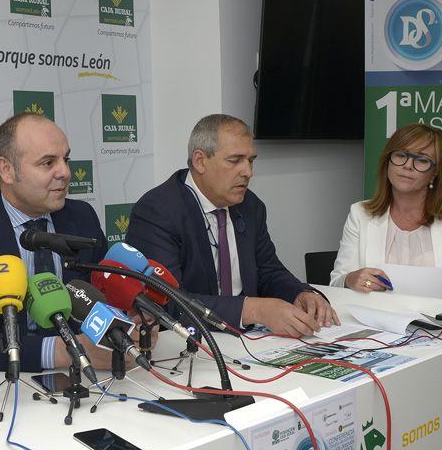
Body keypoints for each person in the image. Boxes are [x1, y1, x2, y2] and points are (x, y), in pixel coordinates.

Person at [125, 114, 337, 337]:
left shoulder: (251, 206)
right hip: (187, 343)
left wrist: (300, 293)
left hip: (246, 339)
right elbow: (165, 301)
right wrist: (254, 309)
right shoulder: (158, 211)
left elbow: (268, 271)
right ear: (200, 161)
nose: (248, 172)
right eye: (235, 160)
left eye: (251, 160)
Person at [0, 113, 109, 374]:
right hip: (4, 384)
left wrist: (125, 329)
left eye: (66, 159)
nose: (65, 172)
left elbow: (102, 303)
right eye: (48, 163)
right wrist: (66, 350)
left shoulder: (81, 217)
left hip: (84, 378)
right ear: (7, 170)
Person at [329, 123, 442, 301]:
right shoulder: (360, 214)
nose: (408, 165)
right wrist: (350, 279)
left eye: (422, 160)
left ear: (435, 173)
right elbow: (336, 283)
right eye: (401, 155)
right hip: (374, 325)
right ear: (388, 162)